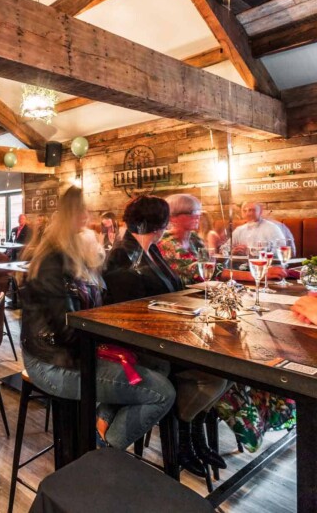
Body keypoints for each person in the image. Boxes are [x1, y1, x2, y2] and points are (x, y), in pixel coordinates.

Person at [21, 187, 175, 451]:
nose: (89, 217)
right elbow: (67, 331)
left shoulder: (76, 256)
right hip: (52, 362)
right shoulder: (52, 262)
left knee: (159, 365)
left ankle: (99, 430)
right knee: (162, 393)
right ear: (73, 217)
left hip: (73, 354)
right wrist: (112, 343)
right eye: (84, 211)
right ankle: (102, 456)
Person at [103, 194, 229, 477]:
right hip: (145, 348)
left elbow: (170, 290)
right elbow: (131, 313)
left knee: (224, 369)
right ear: (158, 225)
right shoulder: (123, 256)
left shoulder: (151, 250)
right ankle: (184, 442)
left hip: (170, 335)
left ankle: (195, 439)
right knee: (215, 372)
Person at [157, 194, 206, 285]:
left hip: (201, 291)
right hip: (179, 295)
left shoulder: (195, 238)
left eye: (198, 211)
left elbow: (207, 263)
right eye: (191, 212)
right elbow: (195, 271)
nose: (197, 216)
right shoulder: (165, 242)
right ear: (172, 217)